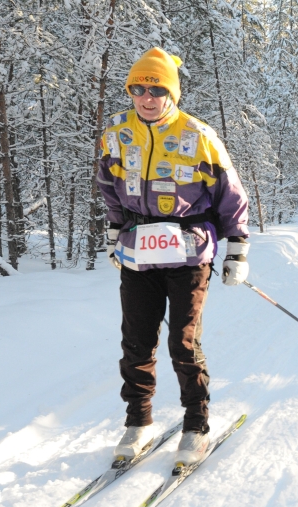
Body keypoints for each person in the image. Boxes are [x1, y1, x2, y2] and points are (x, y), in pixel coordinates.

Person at [98, 47, 249, 466]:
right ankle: (139, 421)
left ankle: (196, 424)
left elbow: (231, 197)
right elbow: (108, 185)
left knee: (182, 343)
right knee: (136, 342)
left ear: (172, 93)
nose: (147, 97)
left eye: (157, 88)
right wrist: (114, 232)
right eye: (138, 88)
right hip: (137, 254)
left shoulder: (198, 135)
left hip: (188, 253)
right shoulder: (117, 133)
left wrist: (236, 250)